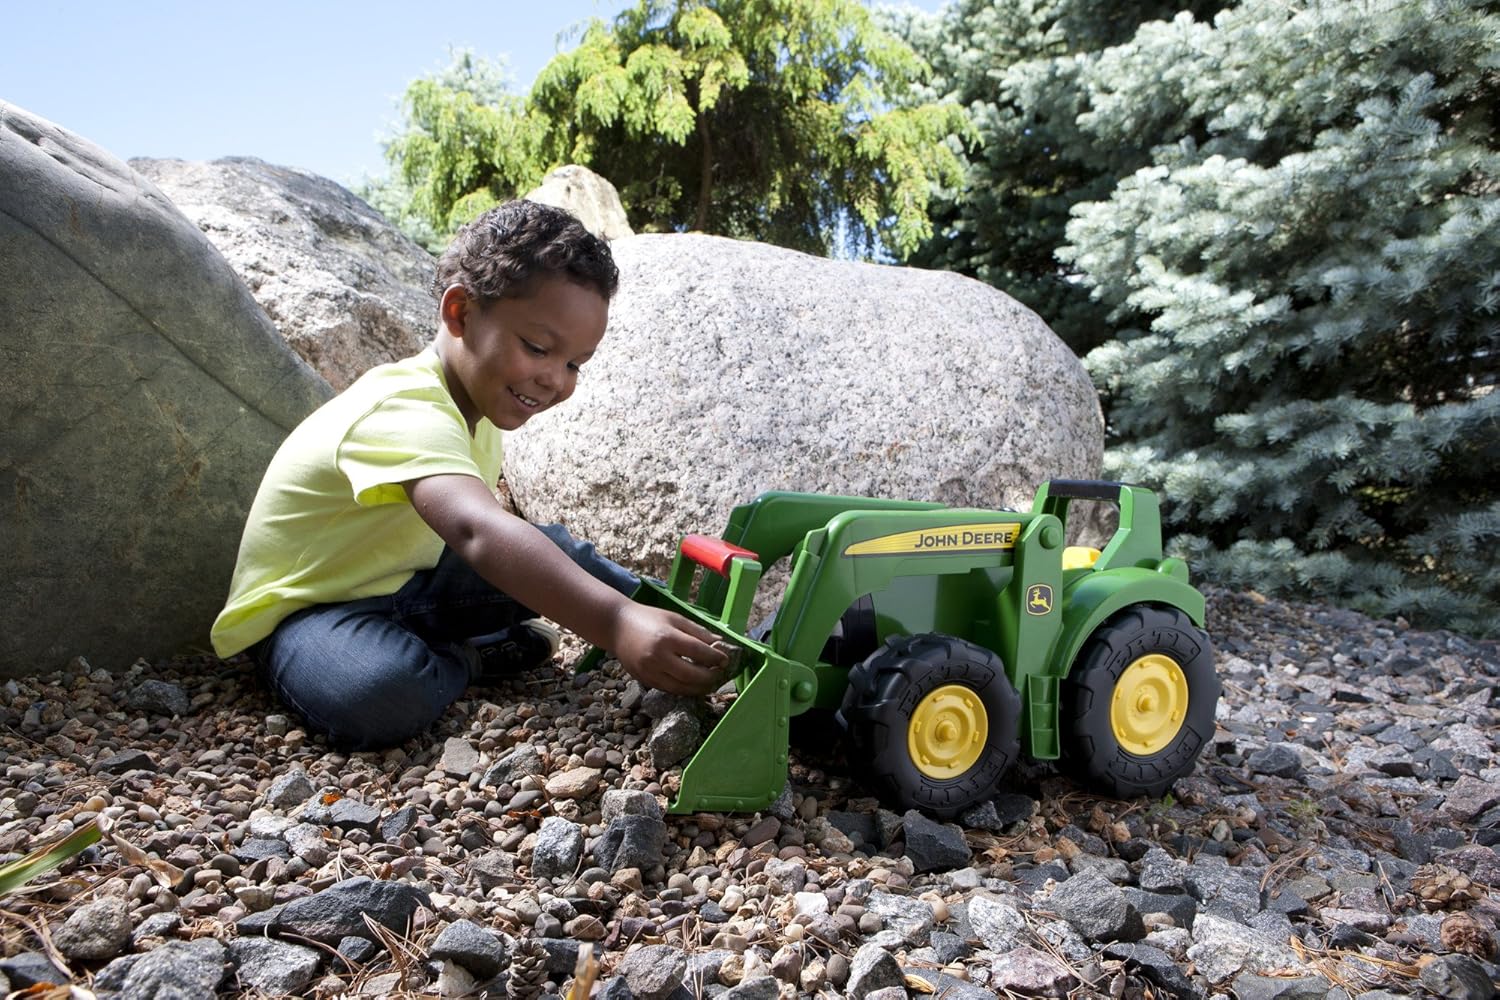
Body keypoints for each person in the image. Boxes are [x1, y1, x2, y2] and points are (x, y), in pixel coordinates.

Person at [210, 200, 727, 750]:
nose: (556, 379)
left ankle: (700, 637)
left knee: (556, 556)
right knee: (380, 690)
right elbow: (477, 531)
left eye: (575, 363)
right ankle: (472, 656)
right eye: (537, 348)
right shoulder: (404, 405)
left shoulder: (478, 408)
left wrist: (625, 609)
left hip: (404, 582)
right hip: (308, 613)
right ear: (460, 313)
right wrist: (616, 623)